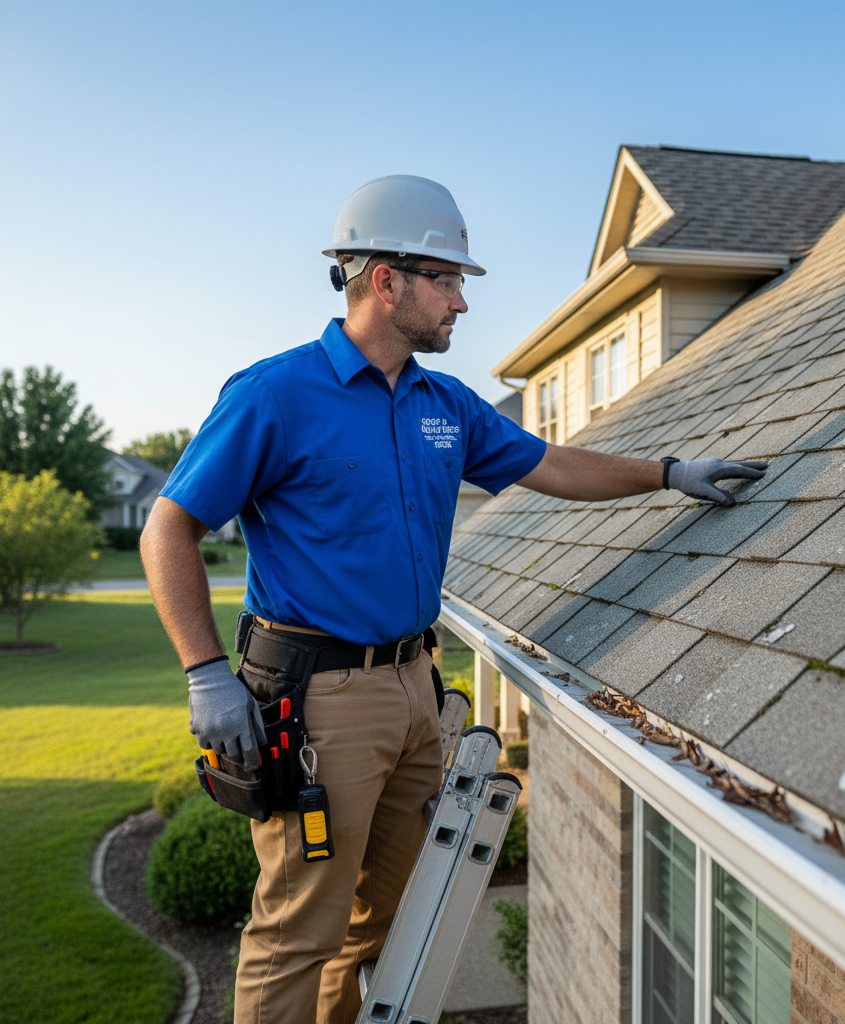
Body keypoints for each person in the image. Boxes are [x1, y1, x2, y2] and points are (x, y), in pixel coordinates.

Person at [140, 174, 767, 1024]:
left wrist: (668, 474)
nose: (462, 303)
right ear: (386, 279)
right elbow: (167, 528)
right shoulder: (275, 396)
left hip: (415, 688)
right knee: (298, 933)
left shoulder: (445, 405)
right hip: (320, 702)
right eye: (448, 279)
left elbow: (549, 464)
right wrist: (206, 674)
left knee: (388, 920)